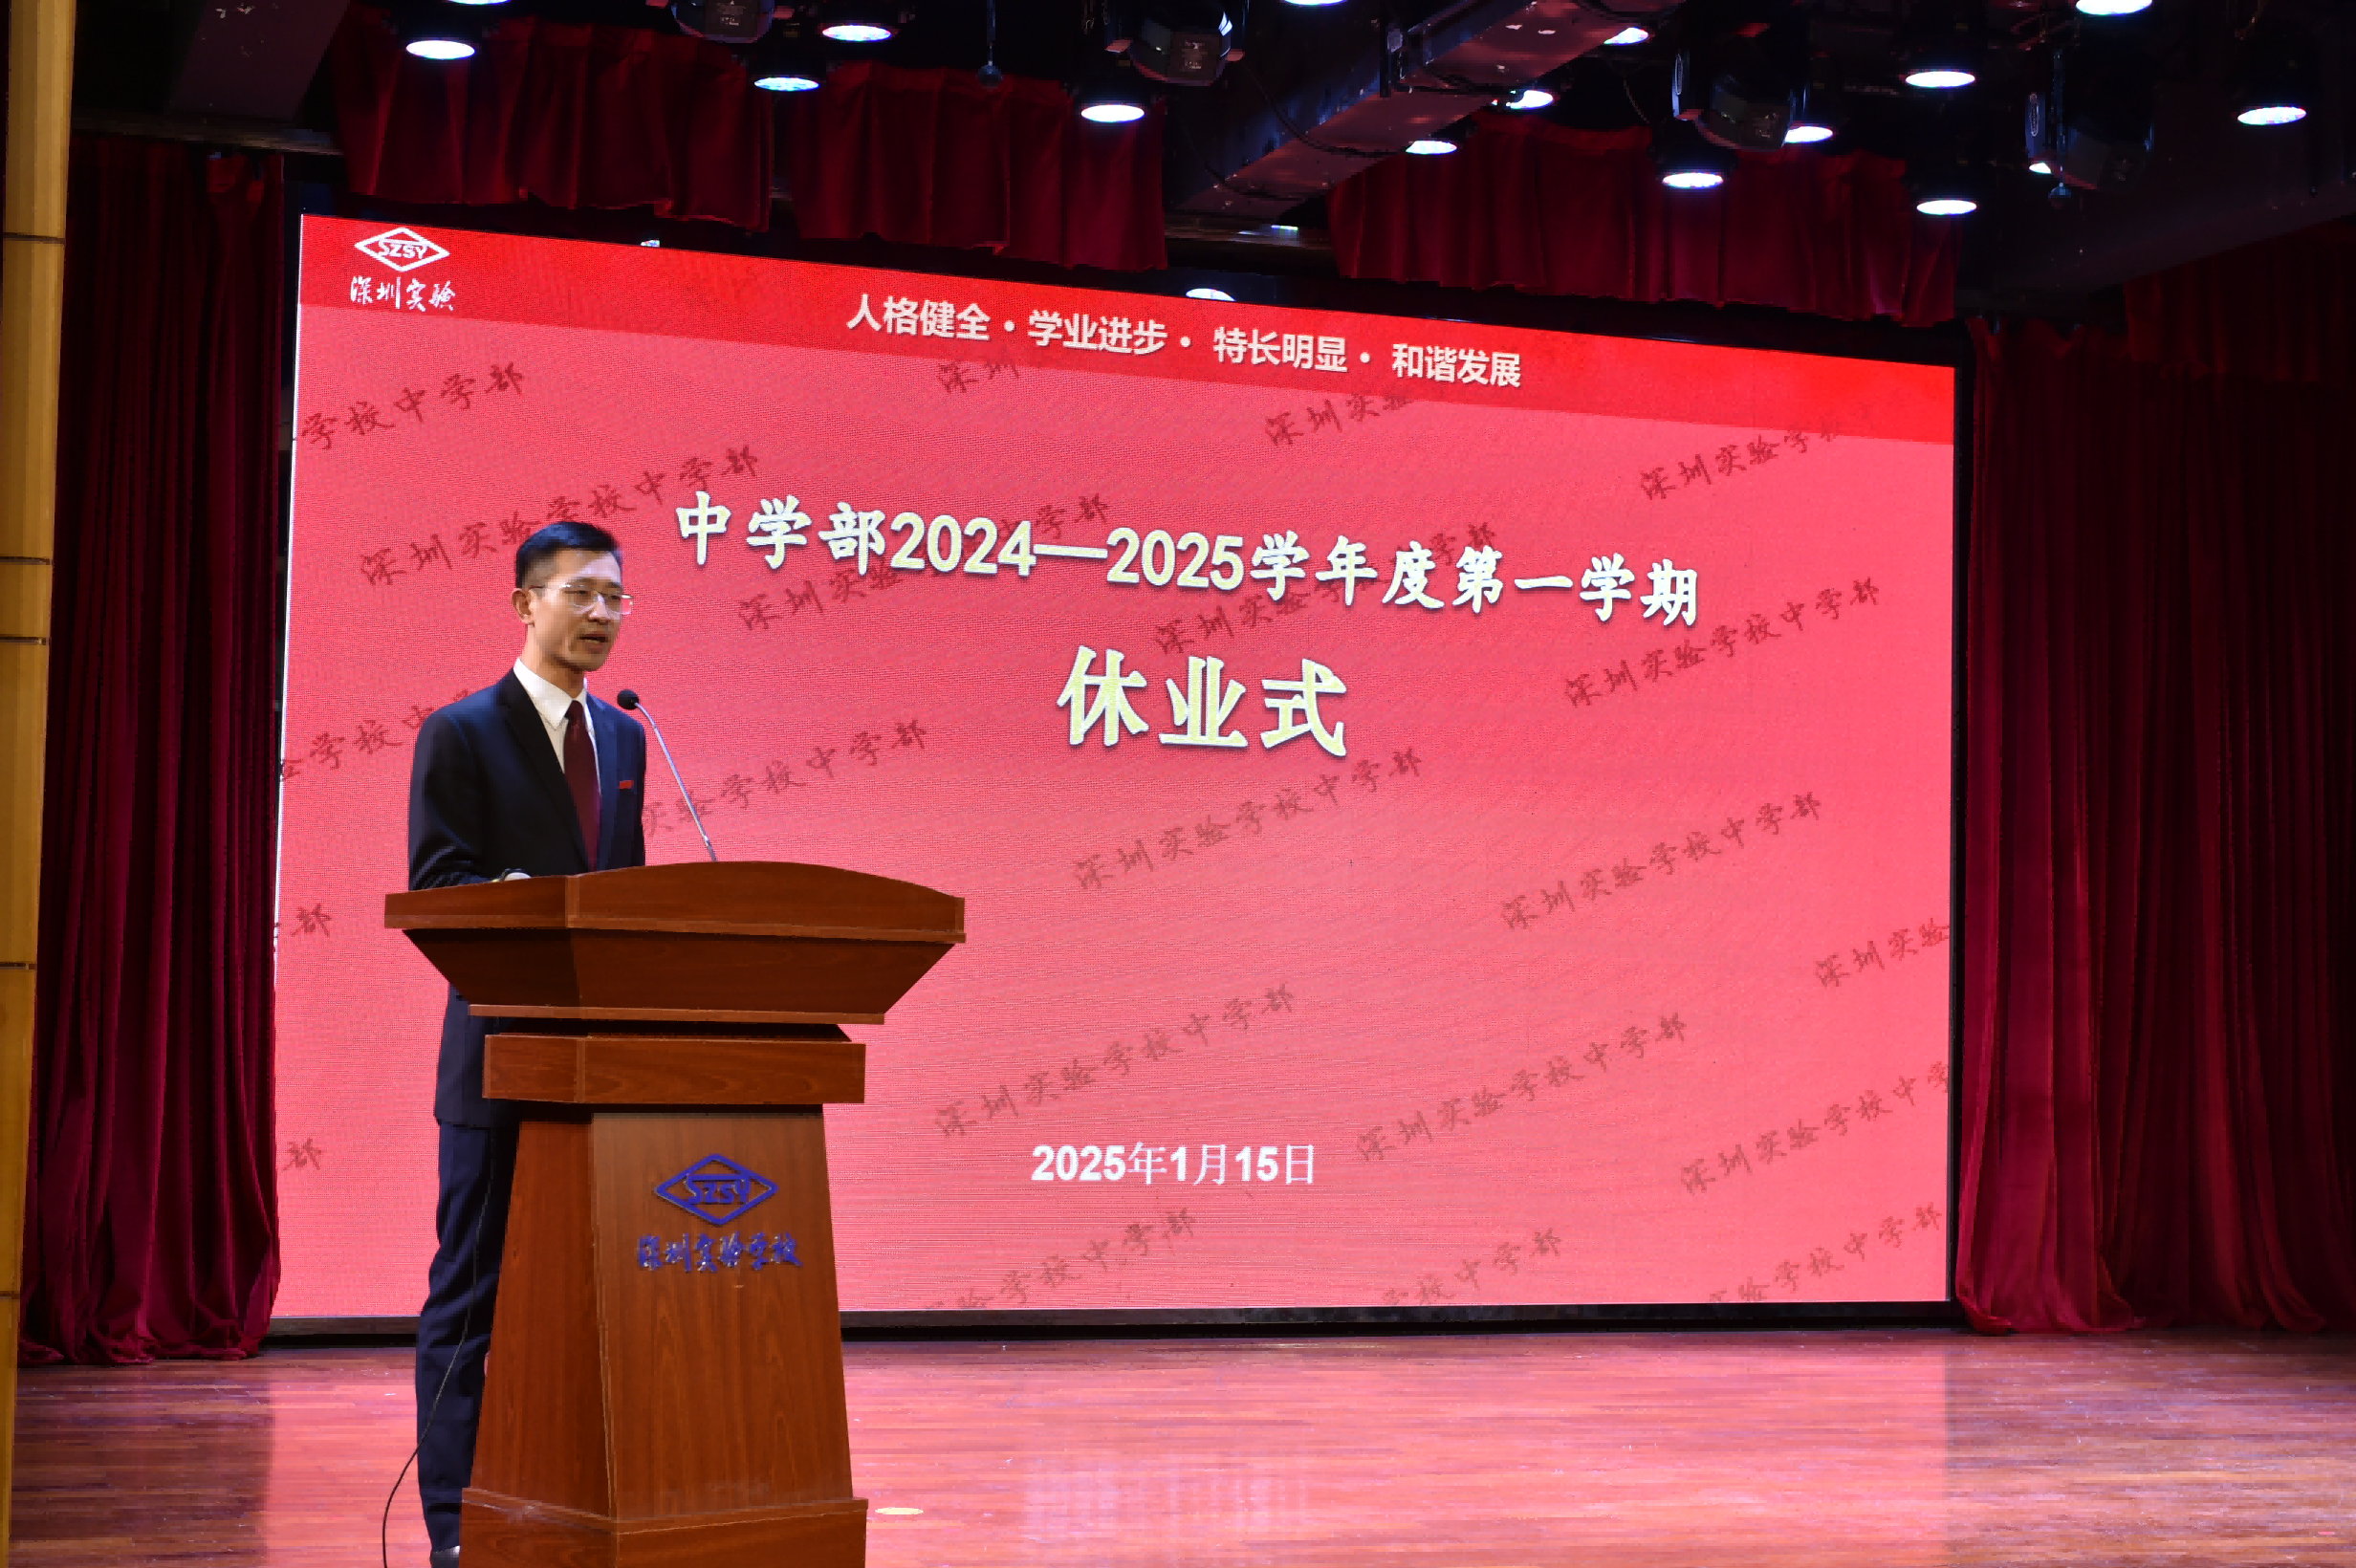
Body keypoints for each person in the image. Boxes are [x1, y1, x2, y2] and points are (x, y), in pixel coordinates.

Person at [405, 521, 647, 1566]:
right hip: (500, 1060)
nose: (600, 614)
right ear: (524, 603)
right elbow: (436, 890)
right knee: (471, 1298)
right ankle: (455, 1530)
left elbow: (627, 898)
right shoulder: (461, 732)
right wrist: (522, 901)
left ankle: (565, 1502)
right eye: (580, 592)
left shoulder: (627, 740)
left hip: (598, 1068)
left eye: (615, 598)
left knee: (586, 1301)